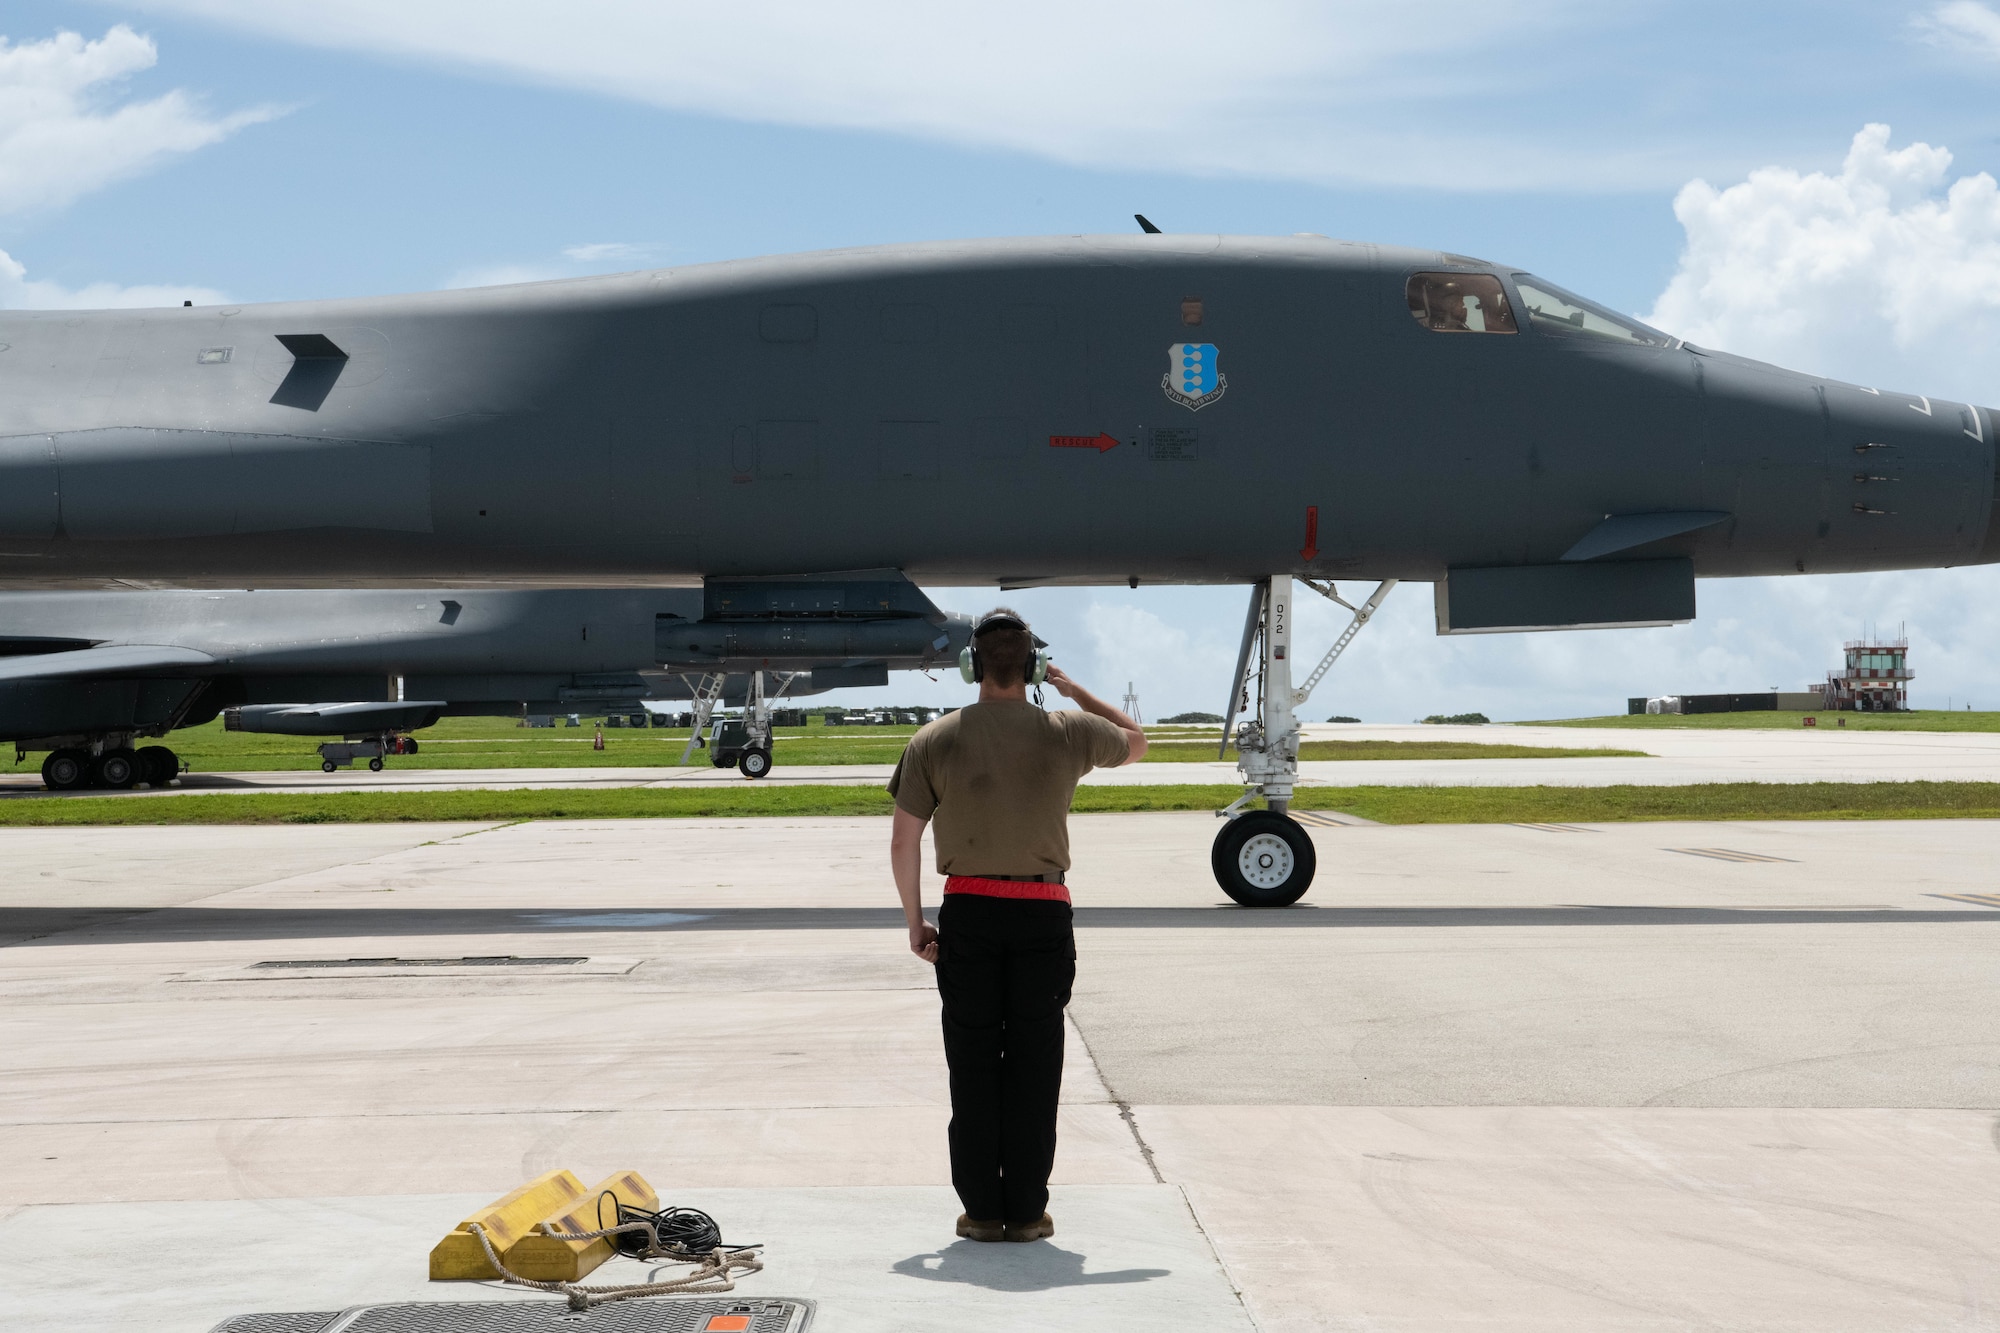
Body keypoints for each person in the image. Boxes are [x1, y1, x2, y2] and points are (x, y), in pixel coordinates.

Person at [887, 609, 1146, 1244]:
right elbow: (1135, 740)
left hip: (969, 914)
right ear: (1030, 667)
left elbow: (903, 840)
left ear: (970, 667)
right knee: (1035, 1065)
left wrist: (917, 922)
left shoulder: (934, 739)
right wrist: (1071, 689)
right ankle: (1027, 1211)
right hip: (1041, 912)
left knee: (972, 1063)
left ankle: (980, 1210)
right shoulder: (1067, 731)